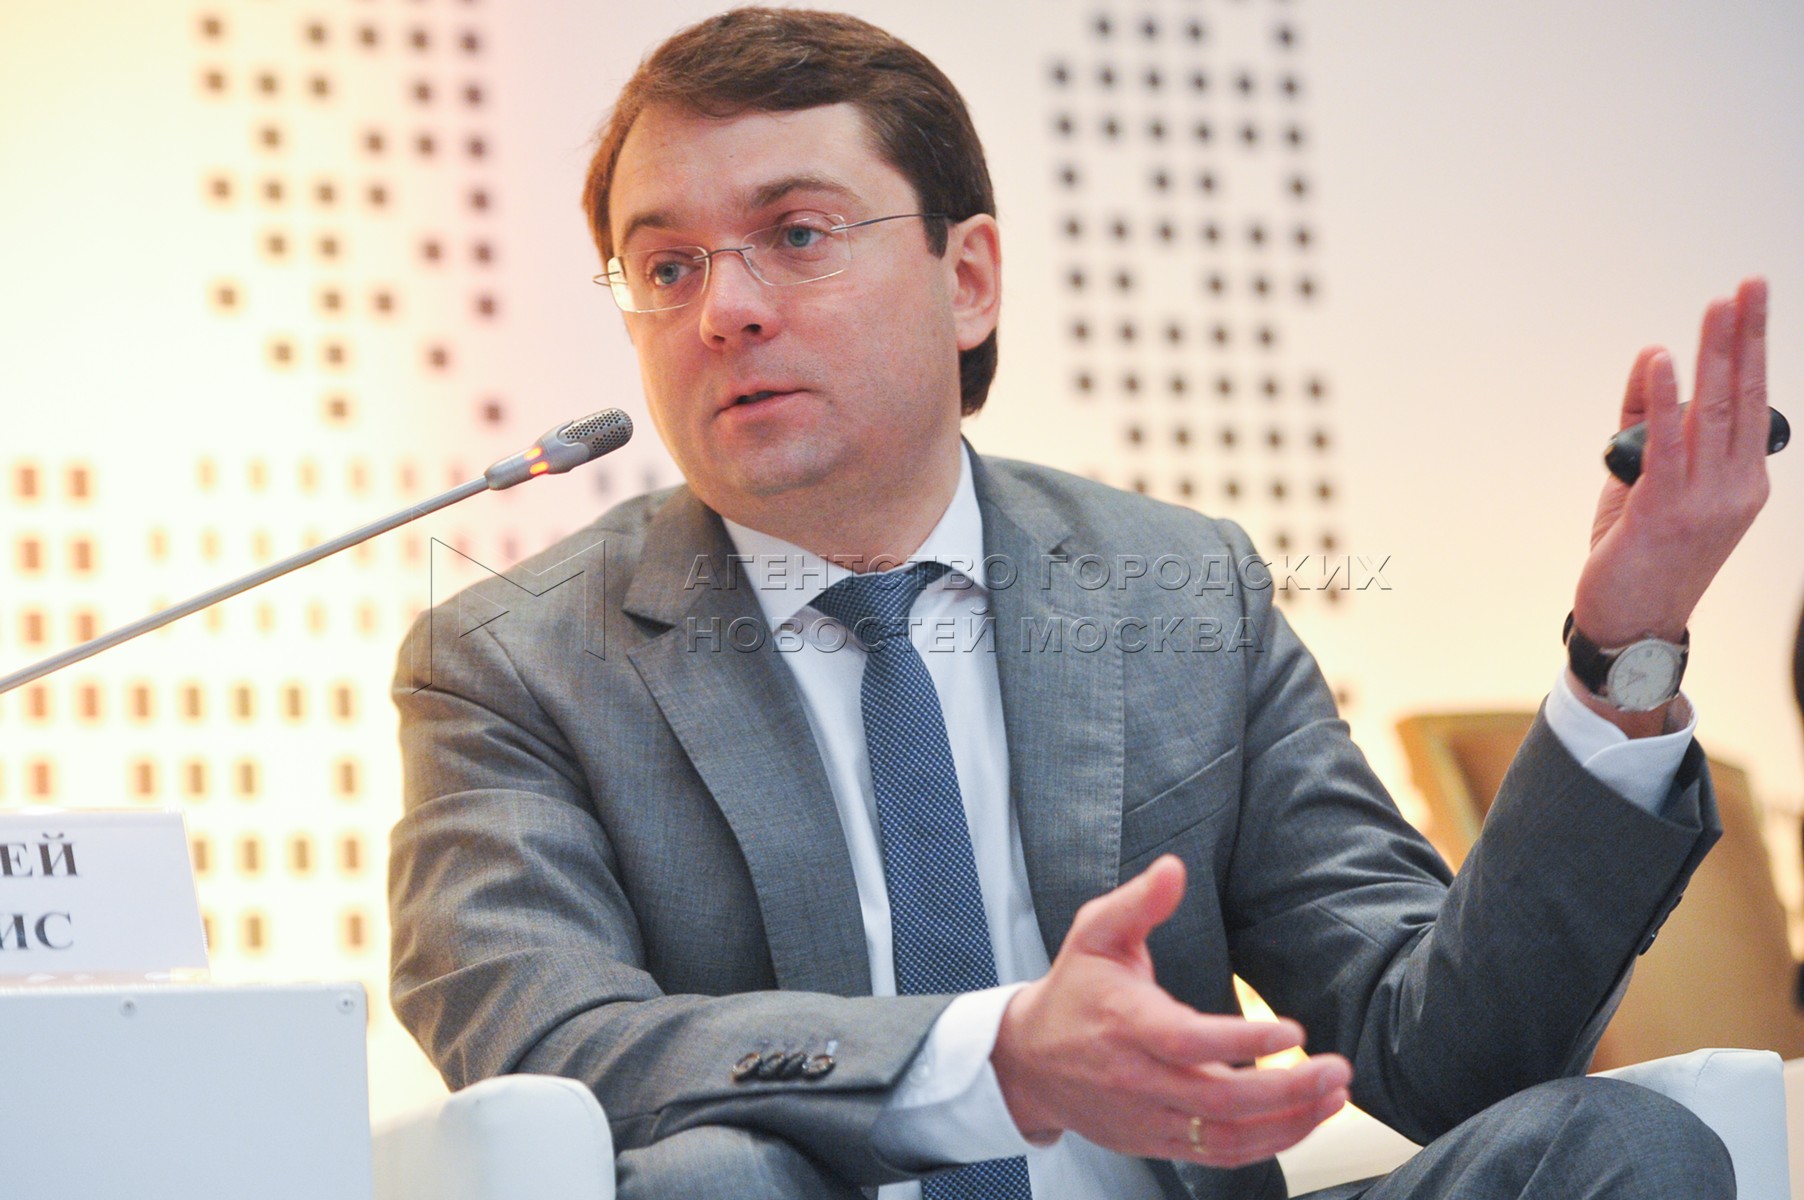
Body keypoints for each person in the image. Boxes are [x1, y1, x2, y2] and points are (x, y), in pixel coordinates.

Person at [389, 9, 1770, 1198]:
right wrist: (986, 1062)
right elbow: (548, 1044)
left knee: (1620, 1148)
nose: (724, 310)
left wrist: (1624, 655)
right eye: (667, 267)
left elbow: (1446, 1053)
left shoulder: (1183, 594)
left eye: (796, 234)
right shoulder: (515, 659)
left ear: (968, 279)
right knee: (708, 1180)